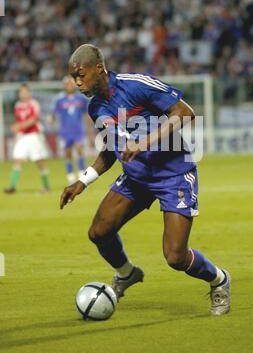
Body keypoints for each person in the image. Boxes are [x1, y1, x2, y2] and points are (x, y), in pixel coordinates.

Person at [60, 44, 231, 316]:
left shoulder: (136, 85)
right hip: (136, 178)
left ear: (99, 69)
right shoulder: (96, 108)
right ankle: (127, 274)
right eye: (73, 78)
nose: (77, 82)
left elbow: (185, 113)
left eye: (81, 75)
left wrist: (144, 142)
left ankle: (219, 280)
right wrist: (83, 181)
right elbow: (109, 150)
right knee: (99, 232)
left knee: (175, 257)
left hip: (173, 174)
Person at [4, 83, 50, 194]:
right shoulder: (18, 105)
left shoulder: (33, 104)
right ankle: (12, 187)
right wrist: (16, 136)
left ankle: (46, 186)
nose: (23, 94)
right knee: (17, 160)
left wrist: (18, 126)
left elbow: (34, 120)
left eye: (25, 92)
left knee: (39, 161)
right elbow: (18, 121)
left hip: (34, 135)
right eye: (21, 92)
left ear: (29, 92)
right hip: (22, 136)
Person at [49, 76, 89, 184]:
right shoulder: (60, 100)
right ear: (64, 86)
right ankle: (70, 175)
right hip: (65, 131)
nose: (70, 86)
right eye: (68, 84)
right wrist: (51, 119)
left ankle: (82, 175)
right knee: (68, 153)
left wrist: (89, 130)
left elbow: (86, 115)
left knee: (80, 150)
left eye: (71, 84)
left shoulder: (81, 99)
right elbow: (53, 113)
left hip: (78, 130)